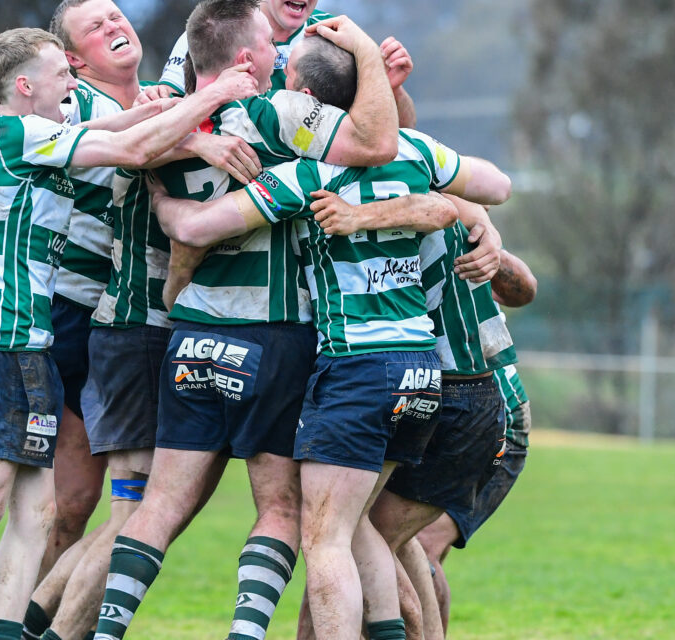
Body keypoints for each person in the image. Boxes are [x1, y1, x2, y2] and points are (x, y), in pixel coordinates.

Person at [0, 26, 257, 640]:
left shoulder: (20, 131)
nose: (71, 80)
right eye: (61, 73)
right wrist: (215, 96)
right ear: (26, 85)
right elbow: (135, 150)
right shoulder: (15, 133)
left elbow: (116, 131)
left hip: (30, 348)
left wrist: (178, 113)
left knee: (37, 514)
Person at [89, 5, 410, 640]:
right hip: (273, 338)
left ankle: (106, 632)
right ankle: (246, 634)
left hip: (192, 334)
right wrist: (371, 61)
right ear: (245, 58)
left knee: (158, 506)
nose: (279, 56)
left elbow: (123, 159)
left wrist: (162, 189)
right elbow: (378, 142)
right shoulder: (278, 114)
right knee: (281, 508)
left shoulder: (158, 127)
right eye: (270, 45)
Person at [413, 249, 537, 634]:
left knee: (417, 549)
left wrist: (485, 240)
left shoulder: (449, 216)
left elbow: (524, 289)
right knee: (413, 552)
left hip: (493, 415)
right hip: (433, 407)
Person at [157, 0, 418, 127]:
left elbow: (398, 132)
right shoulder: (216, 27)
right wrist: (201, 144)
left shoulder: (338, 34)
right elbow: (164, 115)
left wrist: (392, 90)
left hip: (301, 195)